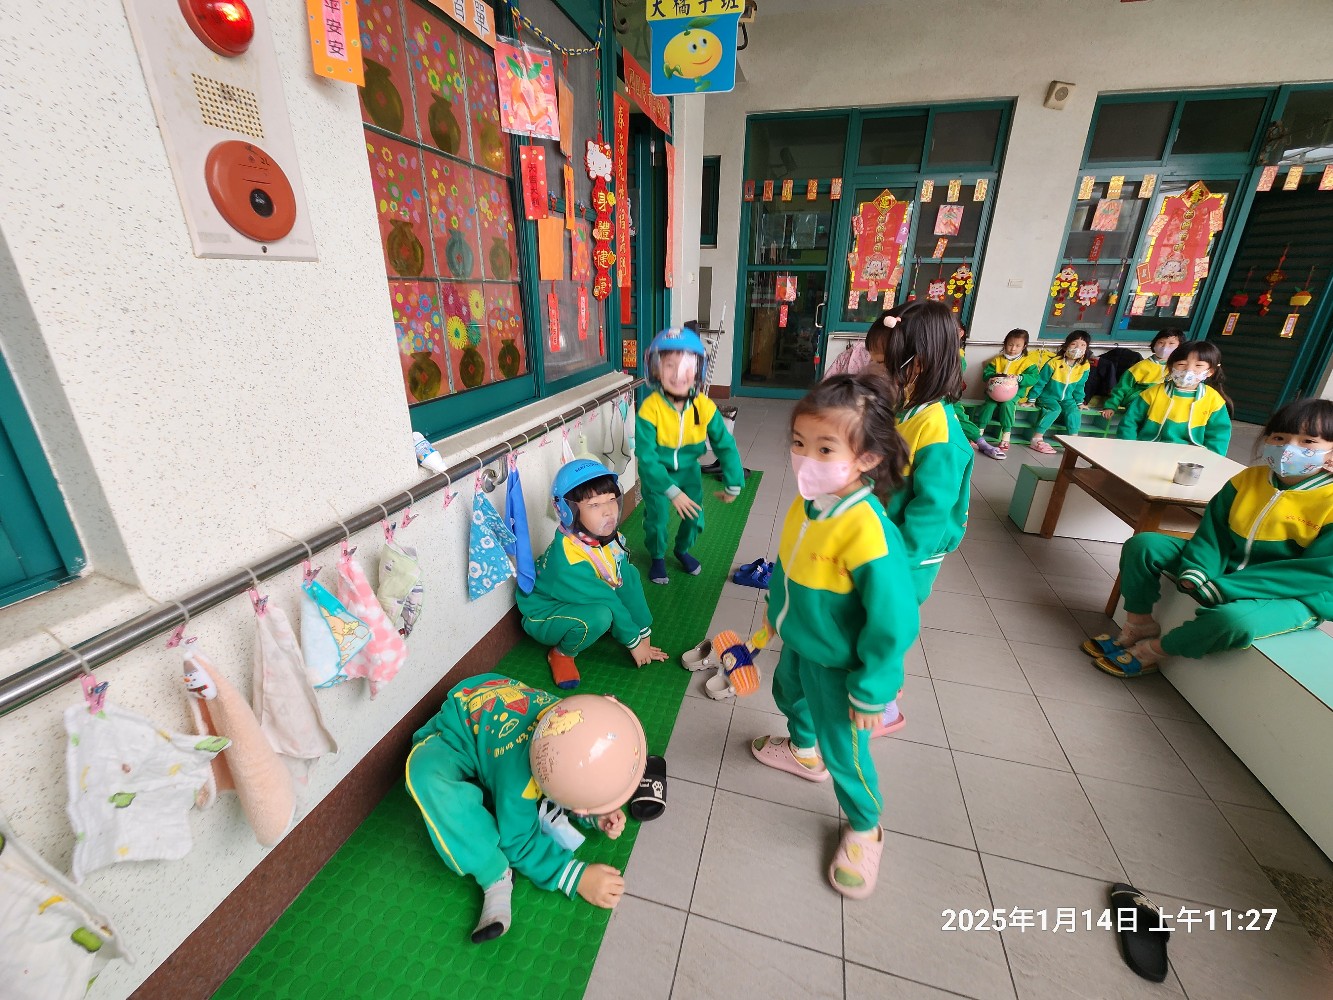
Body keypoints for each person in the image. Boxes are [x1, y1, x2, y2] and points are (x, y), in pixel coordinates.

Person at [749, 373, 920, 899]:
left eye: (825, 448)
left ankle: (865, 825)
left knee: (844, 748)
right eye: (799, 443)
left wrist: (872, 690)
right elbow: (788, 569)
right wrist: (773, 620)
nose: (805, 459)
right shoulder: (809, 503)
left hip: (840, 666)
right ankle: (803, 752)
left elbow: (895, 621)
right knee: (788, 695)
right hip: (800, 640)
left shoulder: (868, 530)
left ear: (866, 458)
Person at [1084, 397, 1333, 677]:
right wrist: (1198, 569)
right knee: (1143, 545)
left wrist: (1227, 588)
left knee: (1234, 622)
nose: (1288, 448)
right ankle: (1138, 623)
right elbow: (1214, 532)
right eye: (1279, 438)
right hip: (1229, 565)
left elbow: (1318, 572)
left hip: (1298, 593)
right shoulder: (1248, 479)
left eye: (1308, 442)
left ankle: (1154, 651)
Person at [406, 674, 647, 941]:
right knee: (423, 775)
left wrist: (596, 811)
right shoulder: (517, 781)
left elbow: (575, 770)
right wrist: (573, 875)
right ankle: (495, 875)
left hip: (496, 705)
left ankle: (491, 791)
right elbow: (518, 841)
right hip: (455, 732)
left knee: (529, 785)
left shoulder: (575, 713)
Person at [517, 458, 667, 690]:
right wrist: (634, 643)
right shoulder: (569, 560)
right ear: (568, 511)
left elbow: (624, 581)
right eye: (594, 505)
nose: (609, 511)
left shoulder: (603, 536)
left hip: (580, 597)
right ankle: (562, 654)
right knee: (600, 616)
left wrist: (643, 631)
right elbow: (607, 598)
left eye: (611, 499)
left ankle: (625, 628)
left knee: (628, 573)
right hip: (545, 612)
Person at [878, 301, 975, 605]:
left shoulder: (939, 431)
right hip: (883, 541)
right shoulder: (903, 408)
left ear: (917, 364)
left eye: (880, 364)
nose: (872, 371)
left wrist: (898, 564)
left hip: (907, 559)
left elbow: (932, 509)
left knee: (886, 621)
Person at [636, 326, 745, 585]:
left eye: (686, 366)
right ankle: (658, 557)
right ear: (655, 369)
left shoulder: (704, 406)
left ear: (697, 370)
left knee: (695, 517)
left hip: (688, 471)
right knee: (657, 519)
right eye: (669, 366)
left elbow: (725, 444)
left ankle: (682, 550)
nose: (677, 374)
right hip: (657, 474)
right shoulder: (649, 409)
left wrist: (734, 481)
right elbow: (647, 458)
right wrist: (672, 492)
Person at [1116, 340, 1232, 455]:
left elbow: (1219, 434)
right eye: (1182, 364)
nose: (1189, 370)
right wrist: (1130, 448)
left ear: (1210, 371)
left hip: (1190, 456)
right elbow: (1129, 422)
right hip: (1149, 450)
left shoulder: (1213, 400)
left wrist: (1211, 459)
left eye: (1198, 365)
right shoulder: (1152, 393)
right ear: (1171, 367)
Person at [972, 328, 1039, 457]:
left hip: (1014, 394)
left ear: (1024, 346)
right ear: (1005, 344)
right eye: (1010, 344)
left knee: (1007, 405)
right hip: (993, 392)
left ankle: (1006, 435)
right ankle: (979, 432)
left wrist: (1019, 378)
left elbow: (1034, 378)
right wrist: (993, 375)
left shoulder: (1028, 363)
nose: (1013, 348)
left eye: (1018, 345)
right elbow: (986, 375)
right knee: (988, 405)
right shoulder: (997, 360)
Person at [1027, 330, 1093, 455]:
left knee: (1074, 411)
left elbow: (1080, 386)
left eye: (1083, 345)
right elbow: (1040, 382)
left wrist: (1080, 402)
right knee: (1054, 409)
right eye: (1074, 344)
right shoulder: (1054, 362)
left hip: (1067, 398)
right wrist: (1032, 399)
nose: (1078, 348)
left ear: (1086, 349)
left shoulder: (1084, 366)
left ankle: (1073, 441)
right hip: (1047, 397)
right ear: (1066, 346)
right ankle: (1036, 438)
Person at [1101, 328, 1183, 420]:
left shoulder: (1177, 368)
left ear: (1180, 347)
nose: (1165, 347)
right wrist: (1111, 406)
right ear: (1154, 344)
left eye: (1171, 343)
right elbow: (1121, 388)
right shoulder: (1141, 367)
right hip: (1138, 404)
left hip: (1161, 406)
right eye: (1161, 342)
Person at [953, 322, 1006, 461]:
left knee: (957, 415)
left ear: (961, 333)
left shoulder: (957, 356)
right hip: (934, 395)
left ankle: (980, 441)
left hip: (946, 396)